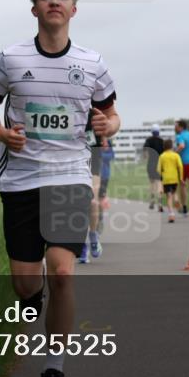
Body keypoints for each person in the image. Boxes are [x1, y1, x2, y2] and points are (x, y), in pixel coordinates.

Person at [0, 0, 119, 377]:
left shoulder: (92, 63)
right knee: (25, 283)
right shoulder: (12, 59)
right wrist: (2, 133)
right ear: (35, 6)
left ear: (74, 8)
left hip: (69, 175)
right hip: (20, 178)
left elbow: (113, 115)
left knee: (61, 271)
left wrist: (108, 124)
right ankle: (30, 297)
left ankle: (54, 370)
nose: (53, 1)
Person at [80, 112, 106, 264]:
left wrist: (103, 137)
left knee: (93, 202)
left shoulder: (93, 113)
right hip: (71, 164)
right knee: (77, 207)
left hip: (93, 164)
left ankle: (93, 235)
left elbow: (104, 138)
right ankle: (82, 246)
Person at [157, 139, 183, 223]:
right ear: (172, 146)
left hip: (166, 179)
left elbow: (158, 169)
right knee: (174, 193)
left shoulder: (162, 156)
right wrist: (181, 177)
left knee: (168, 196)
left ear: (164, 146)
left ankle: (171, 214)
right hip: (174, 178)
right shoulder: (176, 155)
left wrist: (161, 176)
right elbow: (180, 166)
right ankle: (176, 200)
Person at [142, 125, 165, 212]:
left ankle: (152, 201)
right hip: (160, 164)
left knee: (152, 183)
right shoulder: (162, 141)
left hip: (151, 164)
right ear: (159, 132)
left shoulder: (148, 140)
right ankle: (160, 204)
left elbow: (144, 150)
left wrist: (145, 156)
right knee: (159, 183)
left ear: (152, 132)